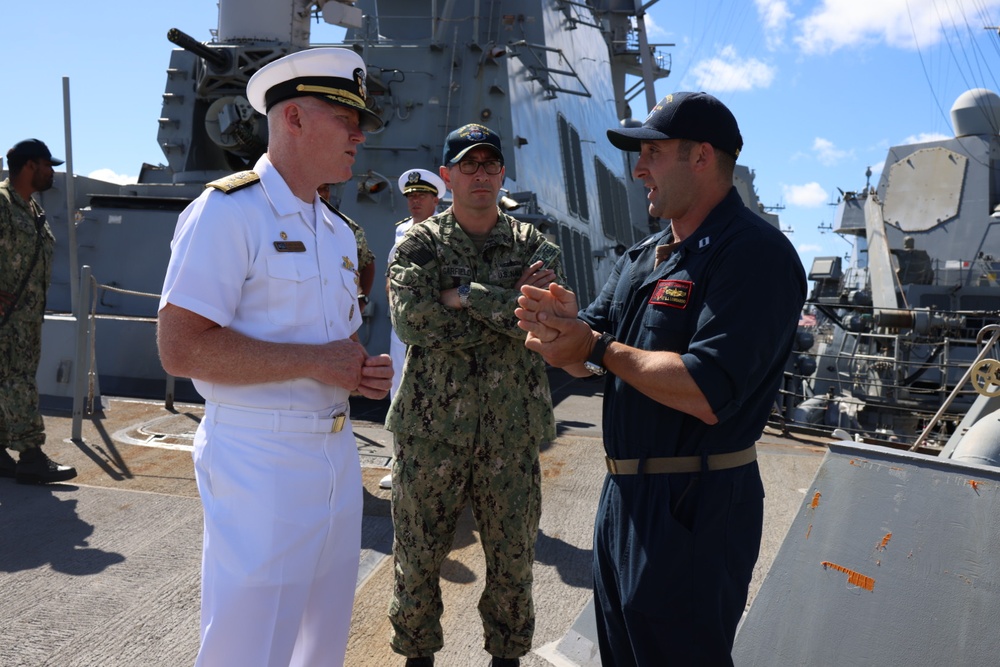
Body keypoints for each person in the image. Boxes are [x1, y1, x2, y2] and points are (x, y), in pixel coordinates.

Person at [515, 92, 807, 665]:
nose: (638, 168)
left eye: (652, 152)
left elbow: (705, 389)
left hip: (694, 505)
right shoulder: (645, 256)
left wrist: (593, 343)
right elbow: (584, 358)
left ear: (701, 156)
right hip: (624, 496)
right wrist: (557, 330)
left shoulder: (754, 255)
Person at [156, 47, 392, 667]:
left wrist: (356, 372)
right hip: (259, 459)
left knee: (320, 645)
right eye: (346, 118)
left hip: (337, 457)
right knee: (248, 646)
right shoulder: (228, 212)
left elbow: (329, 345)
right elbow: (180, 348)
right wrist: (316, 362)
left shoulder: (339, 233)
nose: (359, 135)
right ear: (291, 118)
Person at [385, 123, 562, 667]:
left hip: (511, 437)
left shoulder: (535, 243)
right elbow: (412, 321)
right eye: (468, 164)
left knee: (513, 562)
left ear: (502, 173)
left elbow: (547, 323)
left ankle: (506, 660)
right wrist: (507, 308)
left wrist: (463, 294)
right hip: (430, 434)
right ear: (447, 177)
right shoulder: (418, 243)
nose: (480, 173)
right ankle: (418, 659)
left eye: (489, 164)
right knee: (417, 560)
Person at [0, 139, 78, 485]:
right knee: (18, 383)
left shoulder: (32, 210)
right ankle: (31, 456)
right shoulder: (2, 204)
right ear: (30, 166)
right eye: (49, 166)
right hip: (6, 320)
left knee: (11, 382)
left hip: (26, 320)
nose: (53, 173)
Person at [379, 167, 446, 490]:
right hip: (401, 328)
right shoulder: (401, 231)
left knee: (435, 395)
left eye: (421, 196)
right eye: (410, 196)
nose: (414, 201)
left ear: (436, 199)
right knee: (399, 393)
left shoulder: (447, 232)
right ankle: (403, 463)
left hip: (433, 330)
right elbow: (390, 274)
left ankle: (438, 468)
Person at [319, 182, 376, 301]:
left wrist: (362, 298)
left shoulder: (346, 226)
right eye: (317, 189)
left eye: (326, 189)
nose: (322, 194)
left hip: (335, 307)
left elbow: (367, 262)